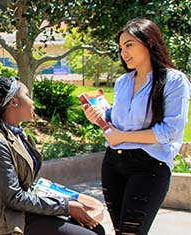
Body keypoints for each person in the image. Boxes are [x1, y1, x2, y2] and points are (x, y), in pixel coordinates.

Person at [81, 18, 190, 235]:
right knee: (120, 231)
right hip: (114, 163)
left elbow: (170, 132)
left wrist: (121, 136)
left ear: (149, 42)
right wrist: (99, 117)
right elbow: (118, 119)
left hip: (150, 166)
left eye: (129, 44)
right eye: (121, 47)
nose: (123, 52)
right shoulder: (122, 81)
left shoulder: (174, 81)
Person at [0, 77, 105, 235]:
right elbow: (14, 197)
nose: (32, 102)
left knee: (97, 229)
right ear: (14, 102)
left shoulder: (17, 135)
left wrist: (67, 199)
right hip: (8, 219)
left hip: (24, 211)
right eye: (27, 95)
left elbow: (30, 185)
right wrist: (65, 207)